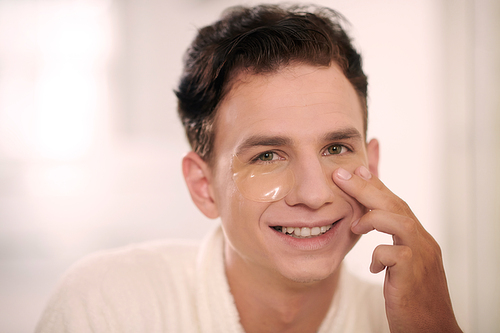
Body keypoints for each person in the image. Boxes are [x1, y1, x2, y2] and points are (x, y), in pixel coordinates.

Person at [36, 4, 462, 333]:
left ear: (371, 164)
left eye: (335, 147)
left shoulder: (411, 320)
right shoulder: (106, 307)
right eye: (267, 156)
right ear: (204, 187)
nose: (314, 194)